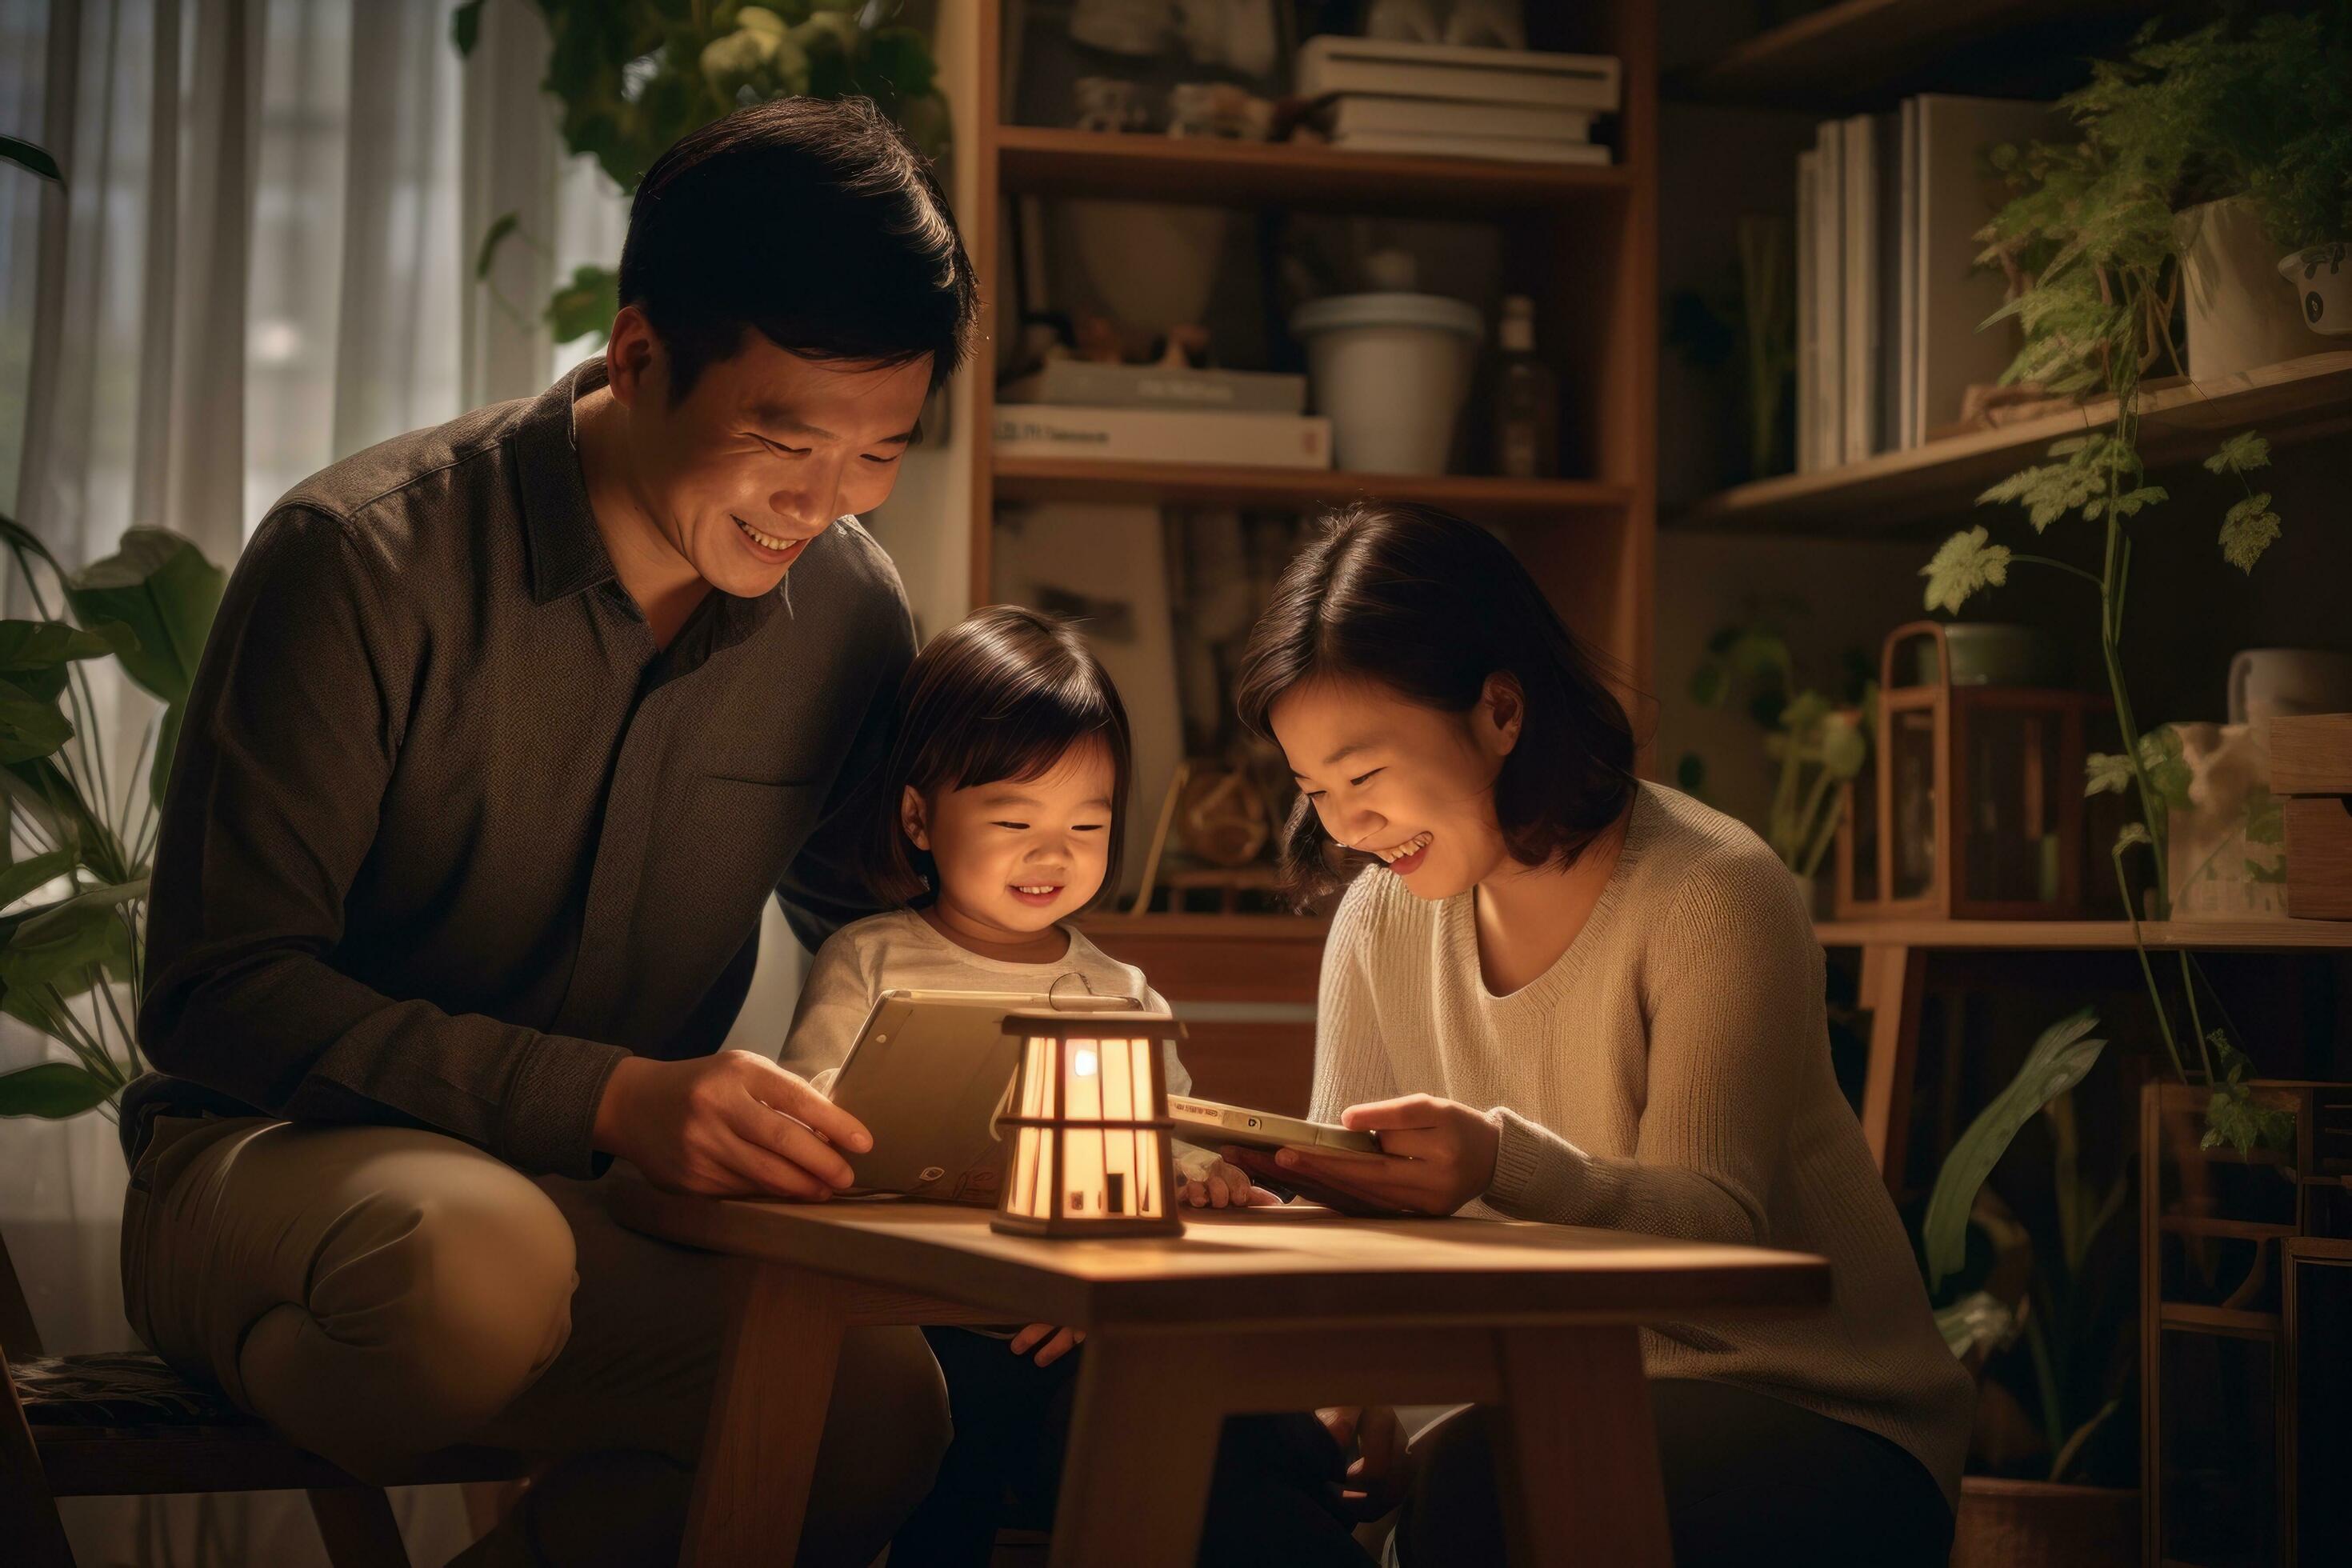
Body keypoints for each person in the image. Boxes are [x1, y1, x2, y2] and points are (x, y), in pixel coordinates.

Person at [122, 98, 978, 1568]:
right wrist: (609, 1100)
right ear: (639, 356)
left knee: (876, 1404)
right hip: (273, 1168)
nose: (821, 506)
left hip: (585, 1224)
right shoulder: (362, 563)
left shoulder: (848, 611)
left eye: (878, 454)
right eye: (782, 439)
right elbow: (219, 993)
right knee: (472, 1273)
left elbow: (882, 940)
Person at [1224, 502, 1974, 1567]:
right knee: (1257, 1463)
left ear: (1499, 709)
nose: (1346, 826)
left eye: (1366, 778)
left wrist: (1498, 1161)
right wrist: (1363, 1404)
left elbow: (1718, 1226)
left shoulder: (1715, 892)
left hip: (1811, 1411)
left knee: (1492, 1489)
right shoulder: (1379, 916)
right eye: (1315, 792)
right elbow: (1346, 1212)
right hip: (1531, 1400)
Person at [776, 604, 1274, 1565]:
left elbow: (1163, 1140)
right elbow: (816, 1129)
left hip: (1077, 1323)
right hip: (923, 1319)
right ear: (919, 816)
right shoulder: (871, 957)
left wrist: (1201, 1172)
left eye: (1088, 823)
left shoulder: (1118, 990)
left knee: (1230, 1429)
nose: (1054, 853)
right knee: (945, 1457)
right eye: (1014, 820)